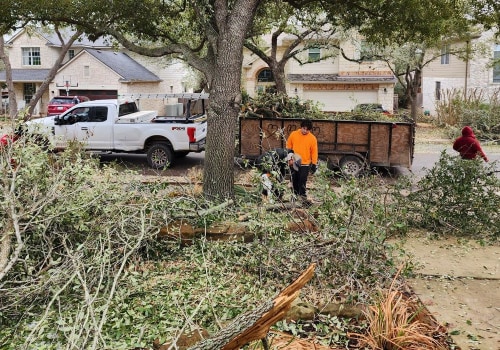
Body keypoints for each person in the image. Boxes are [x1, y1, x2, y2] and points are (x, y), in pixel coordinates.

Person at [286, 119, 318, 202]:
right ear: (301, 127)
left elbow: (314, 152)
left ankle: (303, 196)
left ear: (310, 130)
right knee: (294, 179)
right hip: (295, 161)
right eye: (304, 128)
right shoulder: (294, 134)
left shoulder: (312, 138)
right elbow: (289, 147)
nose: (305, 131)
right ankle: (294, 195)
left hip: (305, 163)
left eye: (307, 129)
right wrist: (289, 159)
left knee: (302, 180)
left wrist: (314, 164)